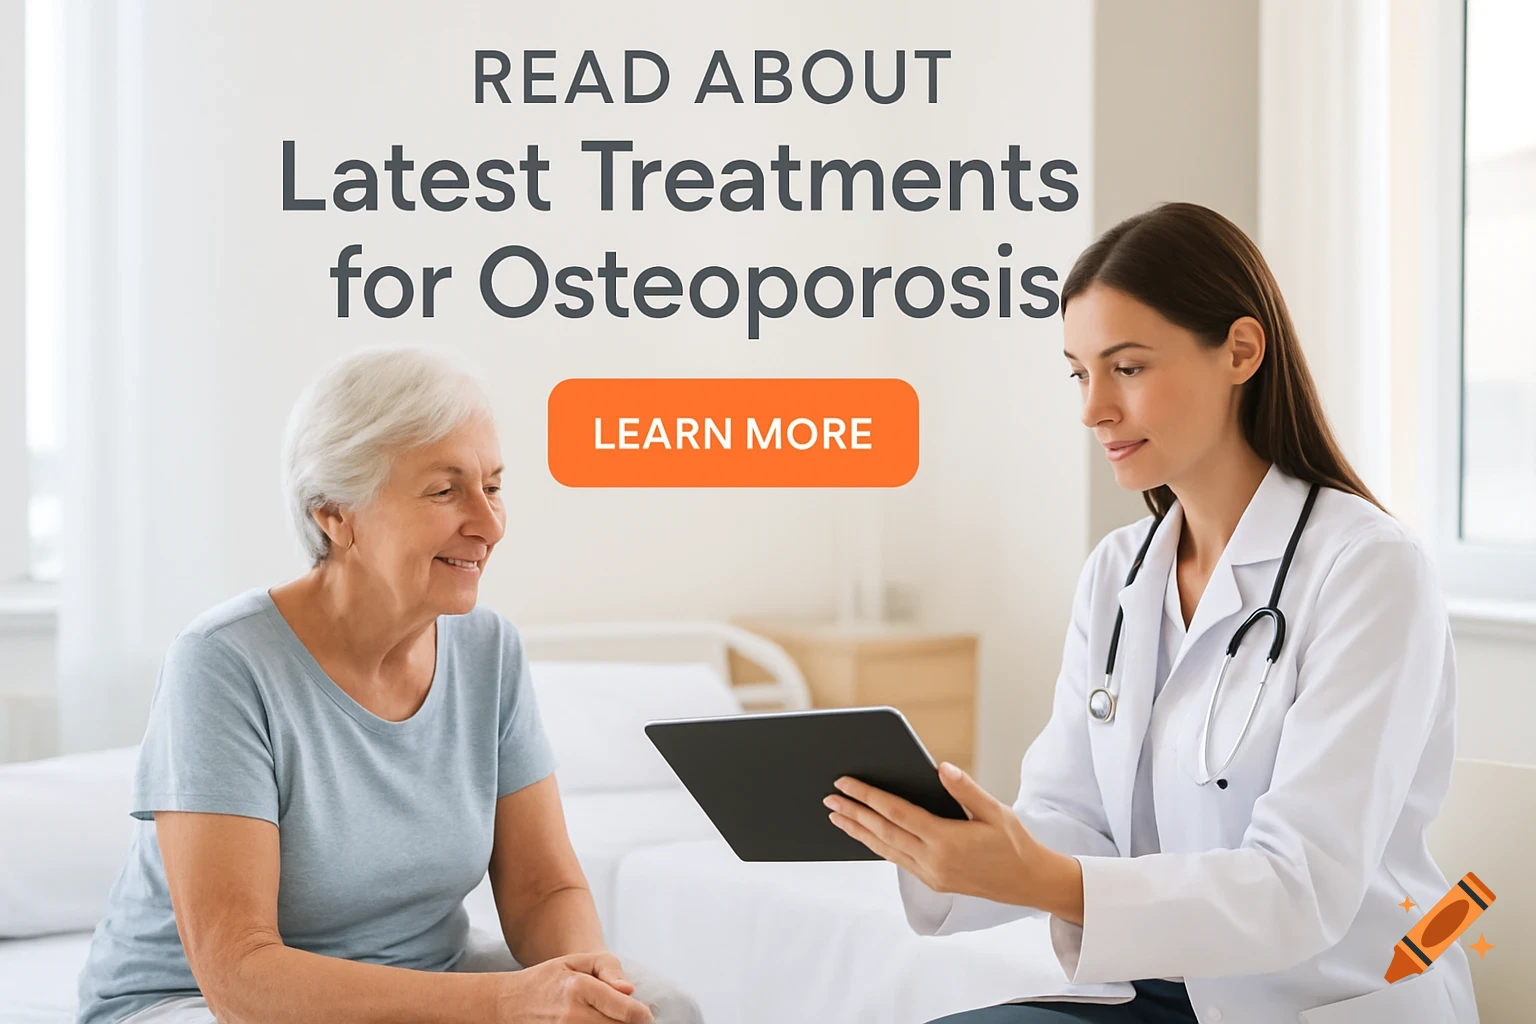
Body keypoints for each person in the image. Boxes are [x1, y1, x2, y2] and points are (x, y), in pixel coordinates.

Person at [821, 203, 1475, 1024]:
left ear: (1241, 350)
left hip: (1316, 1000)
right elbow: (1072, 817)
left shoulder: (1368, 570)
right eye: (1078, 373)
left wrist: (1044, 878)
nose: (1093, 408)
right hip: (1153, 990)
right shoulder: (1118, 575)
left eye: (1126, 368)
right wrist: (939, 844)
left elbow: (1298, 887)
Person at [75, 347, 703, 1024]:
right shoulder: (222, 664)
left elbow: (542, 887)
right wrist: (507, 1002)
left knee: (661, 1009)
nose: (489, 526)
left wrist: (587, 980)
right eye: (444, 490)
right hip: (201, 1001)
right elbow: (239, 976)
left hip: (426, 976)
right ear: (334, 514)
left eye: (492, 486)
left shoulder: (488, 649)